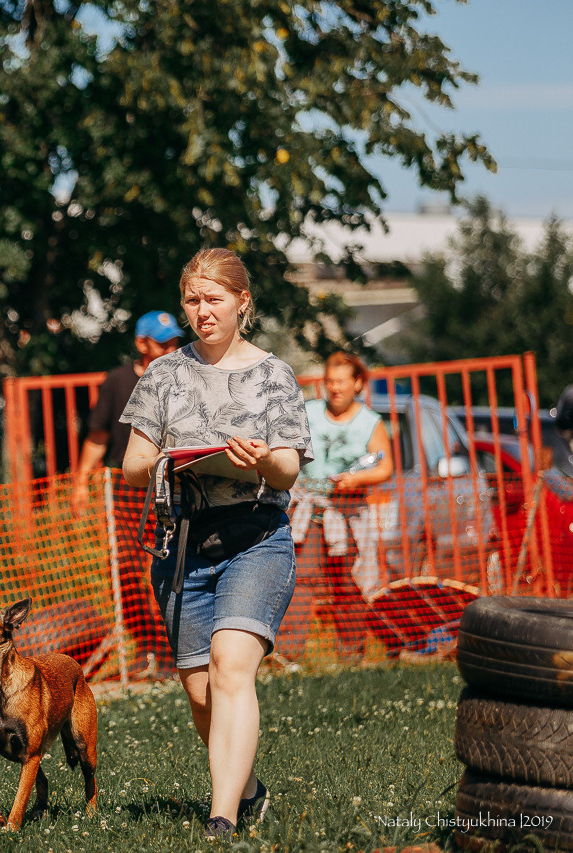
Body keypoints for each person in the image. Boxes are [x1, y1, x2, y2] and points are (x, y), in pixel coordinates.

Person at [119, 247, 313, 842]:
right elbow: (132, 466)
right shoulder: (164, 374)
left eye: (214, 299)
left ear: (241, 303)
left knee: (232, 667)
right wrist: (163, 460)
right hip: (181, 544)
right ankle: (250, 789)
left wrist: (257, 461)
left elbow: (287, 470)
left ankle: (222, 816)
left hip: (255, 536)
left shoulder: (273, 374)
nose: (202, 311)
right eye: (193, 300)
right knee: (202, 693)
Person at [71, 310, 184, 676]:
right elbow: (98, 437)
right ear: (141, 344)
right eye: (161, 343)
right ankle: (147, 648)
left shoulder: (185, 379)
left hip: (175, 486)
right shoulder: (118, 381)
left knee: (171, 568)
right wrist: (80, 483)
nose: (170, 349)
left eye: (174, 343)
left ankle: (176, 649)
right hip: (127, 492)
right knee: (127, 574)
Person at [290, 352, 395, 659]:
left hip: (347, 513)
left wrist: (357, 479)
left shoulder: (370, 422)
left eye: (341, 381)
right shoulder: (308, 411)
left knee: (347, 581)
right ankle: (288, 653)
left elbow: (384, 466)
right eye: (329, 382)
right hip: (307, 510)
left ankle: (350, 652)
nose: (334, 388)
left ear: (357, 383)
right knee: (300, 580)